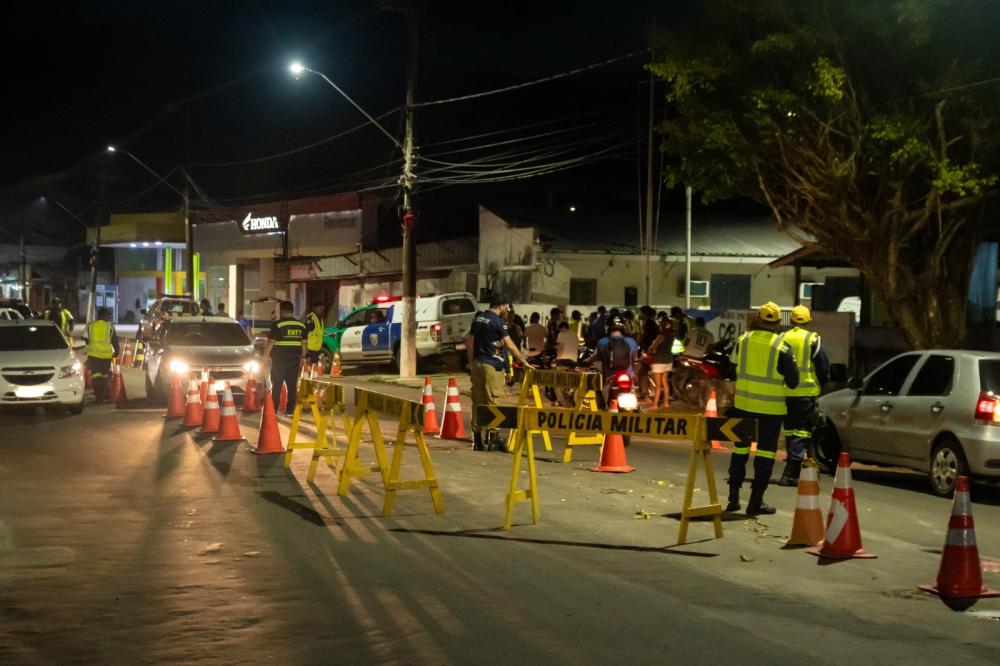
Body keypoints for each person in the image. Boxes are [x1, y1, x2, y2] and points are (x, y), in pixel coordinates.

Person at [726, 302, 800, 516]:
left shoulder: (743, 340)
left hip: (743, 406)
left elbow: (731, 369)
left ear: (758, 320)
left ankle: (733, 499)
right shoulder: (782, 346)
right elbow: (793, 382)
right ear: (777, 323)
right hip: (771, 410)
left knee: (740, 451)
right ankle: (755, 502)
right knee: (765, 454)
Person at [466, 294, 535, 452]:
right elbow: (509, 345)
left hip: (478, 364)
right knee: (494, 400)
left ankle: (477, 439)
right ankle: (493, 438)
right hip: (492, 366)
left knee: (478, 402)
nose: (507, 310)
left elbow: (471, 343)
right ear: (502, 306)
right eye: (506, 307)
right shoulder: (498, 322)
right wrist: (523, 361)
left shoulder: (478, 319)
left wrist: (471, 362)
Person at [777, 305, 831, 486]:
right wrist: (822, 384)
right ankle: (790, 472)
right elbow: (823, 368)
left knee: (791, 432)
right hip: (805, 394)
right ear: (808, 321)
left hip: (785, 393)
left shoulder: (781, 338)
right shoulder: (812, 339)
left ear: (791, 320)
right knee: (802, 432)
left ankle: (797, 468)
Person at [262, 300, 306, 415]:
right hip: (294, 360)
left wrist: (265, 357)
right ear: (292, 311)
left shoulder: (278, 325)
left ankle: (274, 410)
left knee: (276, 385)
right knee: (292, 386)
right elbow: (304, 344)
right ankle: (290, 411)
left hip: (279, 361)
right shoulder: (301, 325)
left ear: (282, 311)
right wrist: (303, 358)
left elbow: (271, 342)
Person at [587, 316, 638, 405]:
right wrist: (634, 373)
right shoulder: (631, 341)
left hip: (610, 377)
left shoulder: (602, 342)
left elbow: (597, 358)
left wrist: (586, 362)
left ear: (607, 327)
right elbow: (635, 360)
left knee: (602, 398)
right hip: (627, 376)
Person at [83, 307, 120, 403]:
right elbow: (114, 341)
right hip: (105, 357)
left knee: (95, 375)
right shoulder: (110, 327)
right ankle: (101, 395)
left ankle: (98, 395)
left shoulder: (90, 325)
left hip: (93, 356)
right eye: (108, 316)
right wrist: (116, 352)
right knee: (104, 376)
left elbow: (84, 338)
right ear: (105, 316)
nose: (108, 318)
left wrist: (91, 344)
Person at [647, 318, 675, 410]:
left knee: (658, 384)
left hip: (659, 361)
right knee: (665, 382)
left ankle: (655, 405)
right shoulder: (671, 336)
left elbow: (652, 348)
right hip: (668, 360)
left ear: (662, 326)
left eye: (660, 325)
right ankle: (666, 403)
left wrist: (650, 350)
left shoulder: (661, 336)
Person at [303, 302, 327, 366]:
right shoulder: (311, 318)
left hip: (317, 350)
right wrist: (306, 352)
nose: (321, 310)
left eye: (323, 308)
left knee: (316, 370)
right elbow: (304, 335)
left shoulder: (320, 319)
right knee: (309, 369)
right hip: (310, 351)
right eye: (320, 308)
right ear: (314, 308)